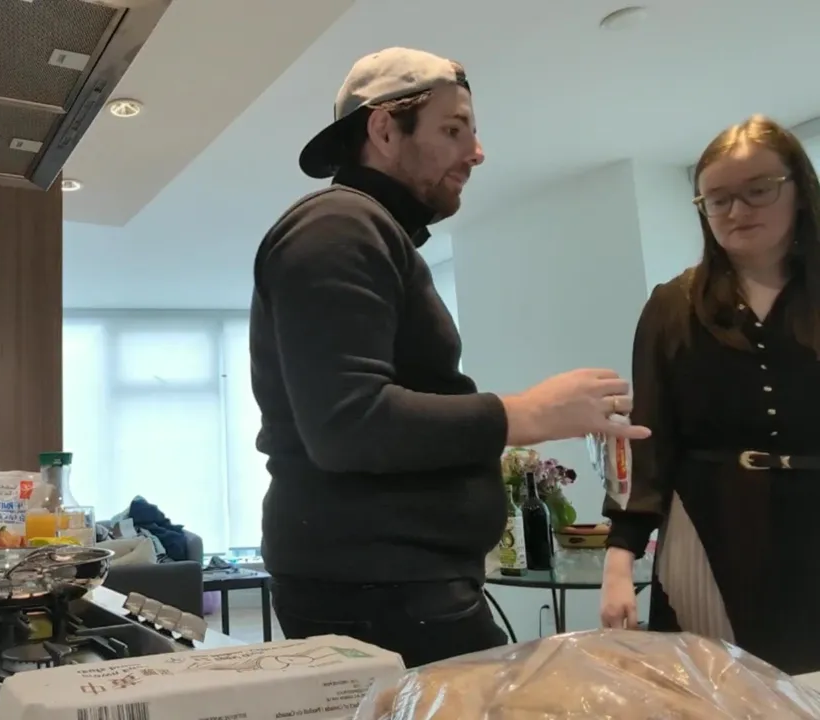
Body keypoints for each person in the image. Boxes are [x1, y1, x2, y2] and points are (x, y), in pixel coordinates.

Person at [249, 47, 649, 668]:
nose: (477, 152)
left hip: (392, 588)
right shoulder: (337, 226)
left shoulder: (365, 231)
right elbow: (348, 424)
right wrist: (527, 413)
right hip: (381, 593)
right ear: (385, 130)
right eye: (454, 129)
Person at [600, 115, 820, 674]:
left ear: (799, 189)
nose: (737, 211)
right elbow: (648, 438)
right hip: (708, 527)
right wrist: (619, 562)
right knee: (715, 691)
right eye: (718, 199)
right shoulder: (672, 306)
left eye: (758, 190)